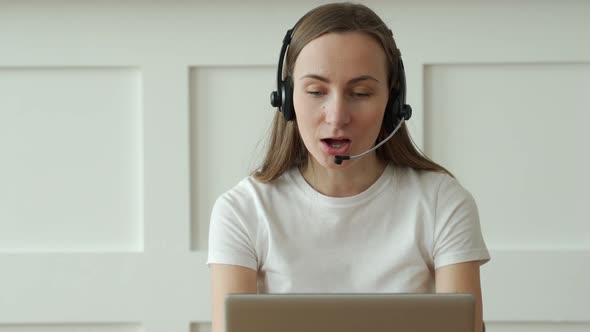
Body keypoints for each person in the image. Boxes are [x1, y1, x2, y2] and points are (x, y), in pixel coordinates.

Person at [207, 3, 490, 332]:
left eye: (361, 92)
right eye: (316, 91)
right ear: (285, 99)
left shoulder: (444, 202)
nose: (337, 115)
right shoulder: (242, 210)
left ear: (393, 103)